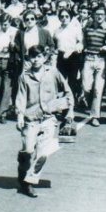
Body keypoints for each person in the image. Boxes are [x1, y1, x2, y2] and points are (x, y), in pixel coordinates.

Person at [15, 46, 74, 198]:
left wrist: (69, 111)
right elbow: (21, 97)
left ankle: (30, 181)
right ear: (29, 59)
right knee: (28, 151)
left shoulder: (53, 72)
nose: (36, 60)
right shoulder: (25, 76)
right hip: (31, 118)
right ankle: (22, 167)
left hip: (49, 118)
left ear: (44, 58)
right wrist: (20, 115)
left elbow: (67, 91)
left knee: (43, 154)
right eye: (32, 57)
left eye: (39, 56)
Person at [81, 7, 106, 126]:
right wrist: (81, 46)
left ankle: (95, 116)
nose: (99, 17)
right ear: (93, 15)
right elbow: (83, 42)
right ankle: (85, 98)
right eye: (97, 14)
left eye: (102, 14)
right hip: (88, 59)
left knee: (98, 90)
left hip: (101, 60)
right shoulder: (87, 28)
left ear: (105, 16)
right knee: (86, 87)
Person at [0, 13, 18, 123]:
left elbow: (18, 46)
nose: (4, 26)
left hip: (9, 61)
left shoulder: (14, 31)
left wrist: (11, 45)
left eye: (6, 24)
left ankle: (2, 114)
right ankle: (6, 106)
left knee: (7, 88)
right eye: (2, 24)